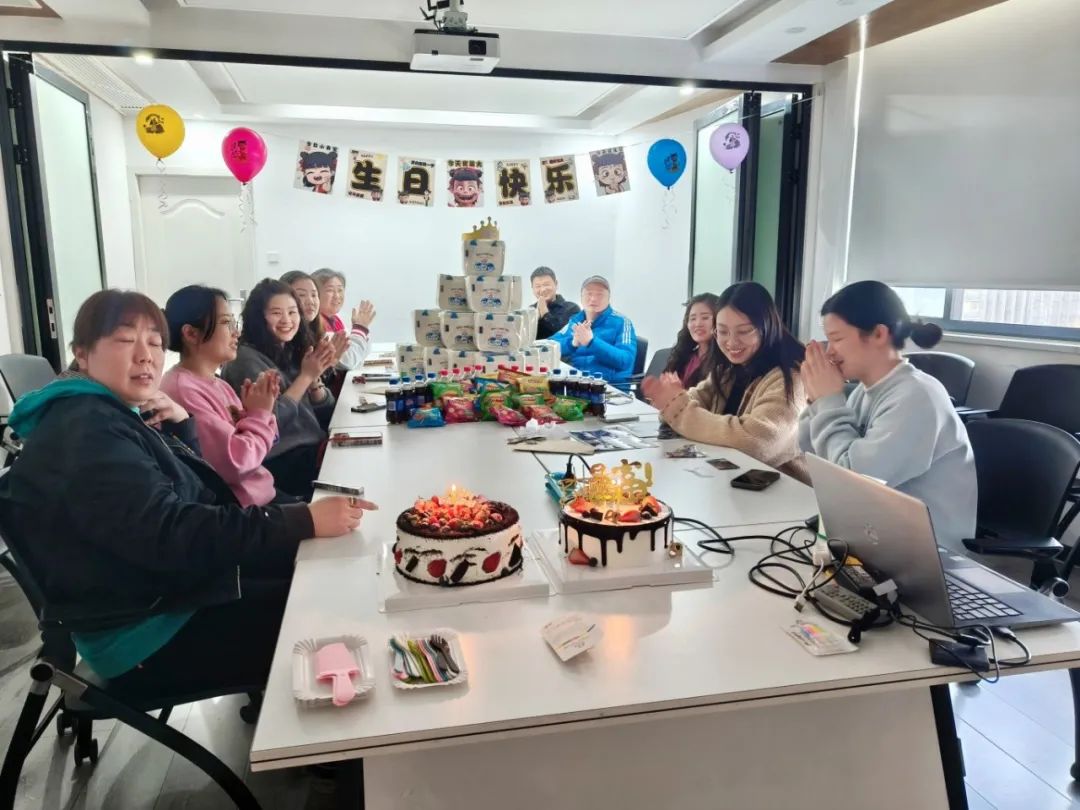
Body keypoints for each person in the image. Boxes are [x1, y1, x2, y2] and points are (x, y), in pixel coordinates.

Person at [0, 289, 375, 695]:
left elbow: (195, 497)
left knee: (323, 573)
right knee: (329, 608)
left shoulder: (104, 411)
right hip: (146, 632)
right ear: (82, 354)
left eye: (154, 343)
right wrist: (301, 520)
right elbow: (175, 533)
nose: (145, 356)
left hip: (165, 595)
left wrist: (182, 426)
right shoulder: (88, 432)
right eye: (125, 340)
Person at [799, 280, 977, 550]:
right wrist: (816, 400)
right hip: (875, 537)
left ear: (879, 334)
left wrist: (828, 402)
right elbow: (810, 453)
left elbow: (855, 483)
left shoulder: (917, 396)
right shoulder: (863, 392)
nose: (829, 351)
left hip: (928, 554)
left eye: (837, 339)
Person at [642, 282, 808, 481]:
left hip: (784, 490)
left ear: (767, 326)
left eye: (743, 331)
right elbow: (692, 401)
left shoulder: (792, 377)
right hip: (728, 481)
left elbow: (755, 442)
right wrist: (671, 402)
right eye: (722, 331)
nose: (731, 342)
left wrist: (677, 407)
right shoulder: (727, 370)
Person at [160, 285, 283, 507]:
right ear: (191, 334)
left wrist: (256, 411)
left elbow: (267, 444)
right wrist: (259, 415)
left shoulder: (218, 384)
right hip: (242, 510)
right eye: (226, 323)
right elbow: (237, 464)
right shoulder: (182, 390)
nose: (236, 332)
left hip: (263, 495)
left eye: (234, 322)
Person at [222, 279, 343, 501]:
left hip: (311, 448)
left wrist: (314, 380)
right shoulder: (244, 361)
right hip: (283, 460)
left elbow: (327, 411)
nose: (287, 320)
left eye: (292, 312)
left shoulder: (287, 350)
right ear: (258, 318)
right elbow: (271, 423)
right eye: (276, 313)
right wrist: (305, 377)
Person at [551, 275, 636, 386]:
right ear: (581, 297)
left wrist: (592, 342)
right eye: (589, 294)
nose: (593, 299)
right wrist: (572, 343)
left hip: (609, 388)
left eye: (600, 295)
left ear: (609, 298)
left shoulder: (622, 322)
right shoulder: (575, 320)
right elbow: (549, 345)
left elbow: (625, 360)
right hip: (577, 384)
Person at [310, 267, 375, 371]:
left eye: (340, 290)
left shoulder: (336, 319)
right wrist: (360, 329)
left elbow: (360, 356)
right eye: (330, 290)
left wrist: (361, 330)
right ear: (315, 295)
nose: (337, 296)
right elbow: (349, 361)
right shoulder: (316, 323)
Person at [664, 293, 722, 388]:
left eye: (705, 318)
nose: (698, 324)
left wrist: (678, 393)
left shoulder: (724, 362)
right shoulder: (684, 357)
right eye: (693, 319)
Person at [530, 266, 580, 340]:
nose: (543, 289)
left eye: (546, 284)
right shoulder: (530, 311)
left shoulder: (572, 308)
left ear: (556, 284)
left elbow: (564, 335)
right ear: (532, 288)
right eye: (538, 286)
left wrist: (545, 313)